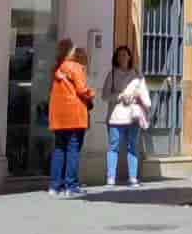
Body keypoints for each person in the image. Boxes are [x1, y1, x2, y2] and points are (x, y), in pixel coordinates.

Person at [49, 43, 94, 197]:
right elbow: (82, 90)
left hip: (59, 116)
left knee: (59, 149)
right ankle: (71, 186)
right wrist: (91, 94)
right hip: (75, 115)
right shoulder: (76, 67)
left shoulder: (58, 69)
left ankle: (55, 186)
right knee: (73, 149)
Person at [103, 46, 150, 190]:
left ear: (130, 57)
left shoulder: (137, 75)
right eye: (120, 55)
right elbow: (104, 96)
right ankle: (111, 177)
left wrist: (140, 100)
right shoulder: (111, 74)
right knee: (114, 147)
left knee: (133, 147)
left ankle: (133, 177)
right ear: (116, 58)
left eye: (125, 55)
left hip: (133, 116)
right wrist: (119, 97)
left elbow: (145, 97)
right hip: (116, 117)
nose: (123, 58)